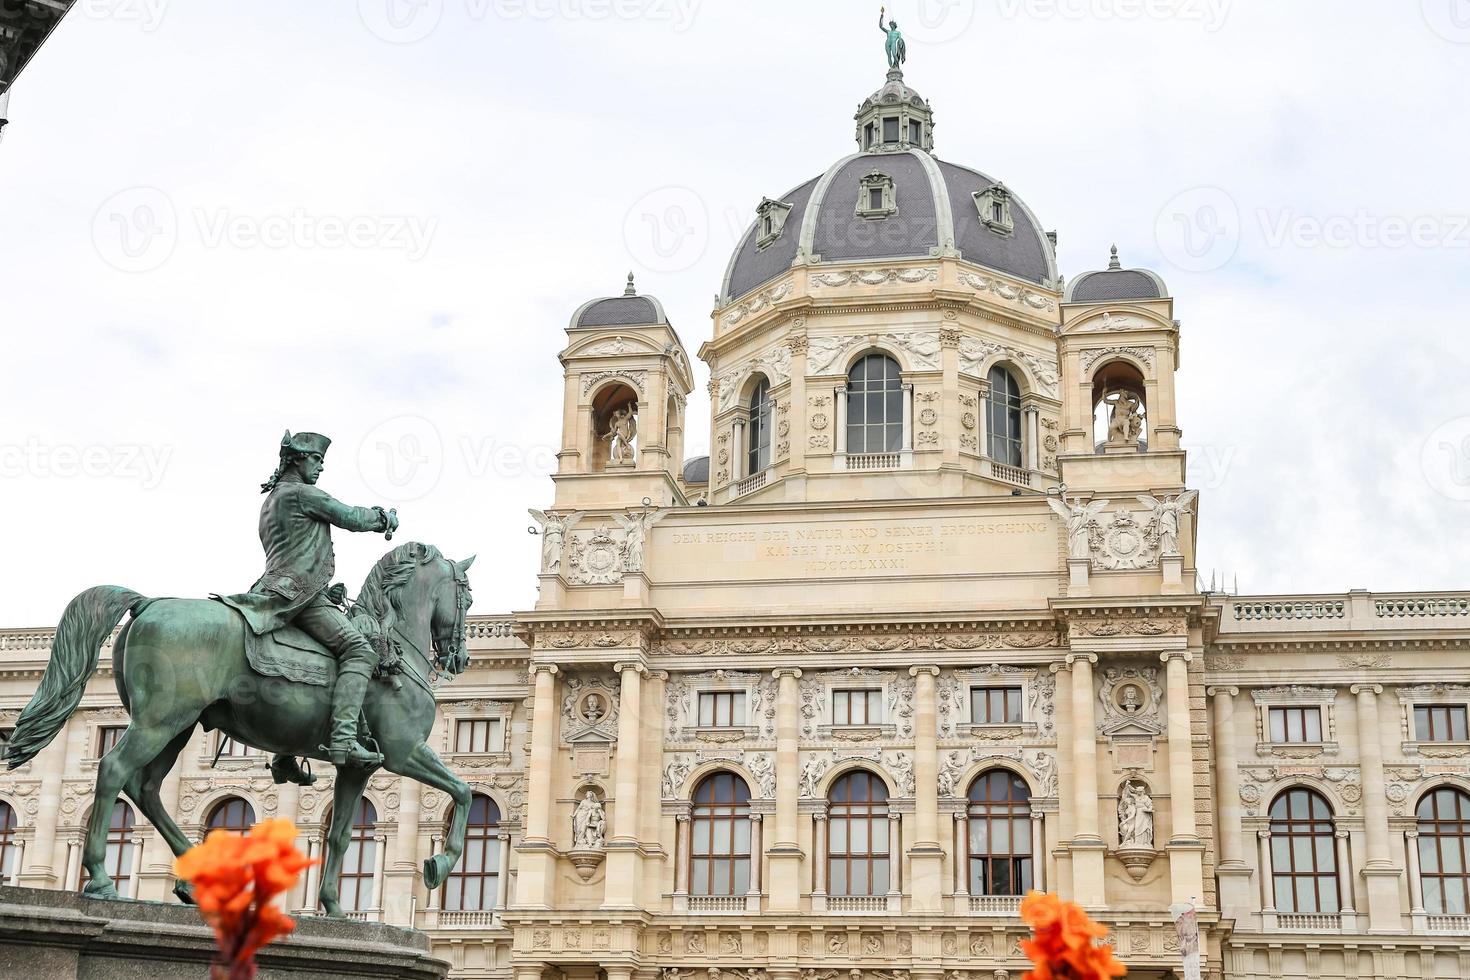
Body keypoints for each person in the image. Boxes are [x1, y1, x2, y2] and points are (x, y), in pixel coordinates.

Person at [222, 431, 400, 777]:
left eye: (321, 462)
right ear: (297, 459)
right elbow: (351, 517)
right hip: (300, 594)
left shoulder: (272, 500)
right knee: (359, 652)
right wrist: (384, 518)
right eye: (316, 460)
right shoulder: (302, 494)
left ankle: (284, 754)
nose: (320, 467)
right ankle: (345, 740)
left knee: (303, 659)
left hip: (273, 589)